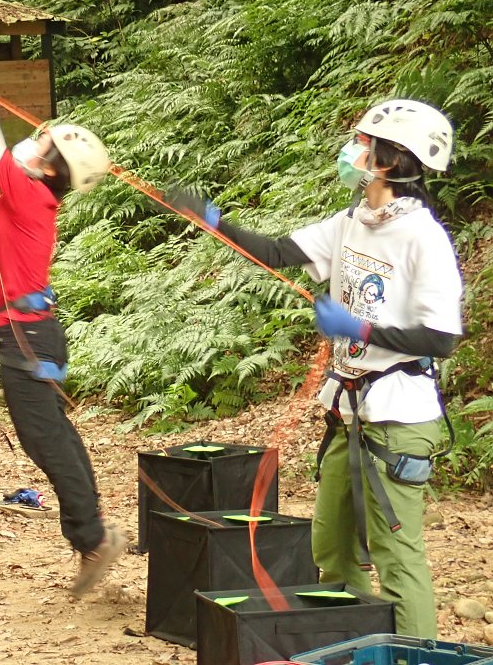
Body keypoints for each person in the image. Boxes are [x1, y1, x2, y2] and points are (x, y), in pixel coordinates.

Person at [168, 99, 461, 637]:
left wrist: (360, 330)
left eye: (363, 144)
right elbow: (277, 252)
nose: (352, 152)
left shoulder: (423, 237)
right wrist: (213, 221)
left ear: (391, 159)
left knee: (396, 555)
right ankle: (351, 643)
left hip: (398, 417)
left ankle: (415, 652)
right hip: (348, 410)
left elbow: (441, 337)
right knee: (332, 547)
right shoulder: (352, 221)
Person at [0, 57, 127, 597]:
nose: (32, 140)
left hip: (28, 335)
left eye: (42, 142)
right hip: (32, 332)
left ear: (51, 167)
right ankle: (93, 534)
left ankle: (93, 537)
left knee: (46, 439)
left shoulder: (29, 194)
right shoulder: (33, 194)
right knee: (55, 436)